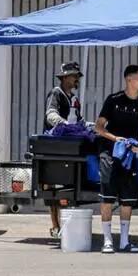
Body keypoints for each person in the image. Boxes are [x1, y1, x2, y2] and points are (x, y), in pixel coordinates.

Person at [94, 64, 138, 254]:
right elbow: (99, 128)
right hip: (110, 153)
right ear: (129, 79)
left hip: (130, 155)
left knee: (128, 199)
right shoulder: (113, 100)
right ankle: (107, 240)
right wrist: (116, 139)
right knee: (108, 197)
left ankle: (125, 241)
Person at [43, 61, 85, 239]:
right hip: (54, 144)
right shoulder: (56, 93)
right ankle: (55, 226)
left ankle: (68, 224)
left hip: (70, 145)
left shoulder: (74, 99)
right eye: (74, 76)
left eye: (77, 76)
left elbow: (79, 120)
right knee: (50, 186)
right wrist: (64, 124)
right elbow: (50, 115)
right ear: (65, 78)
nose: (77, 79)